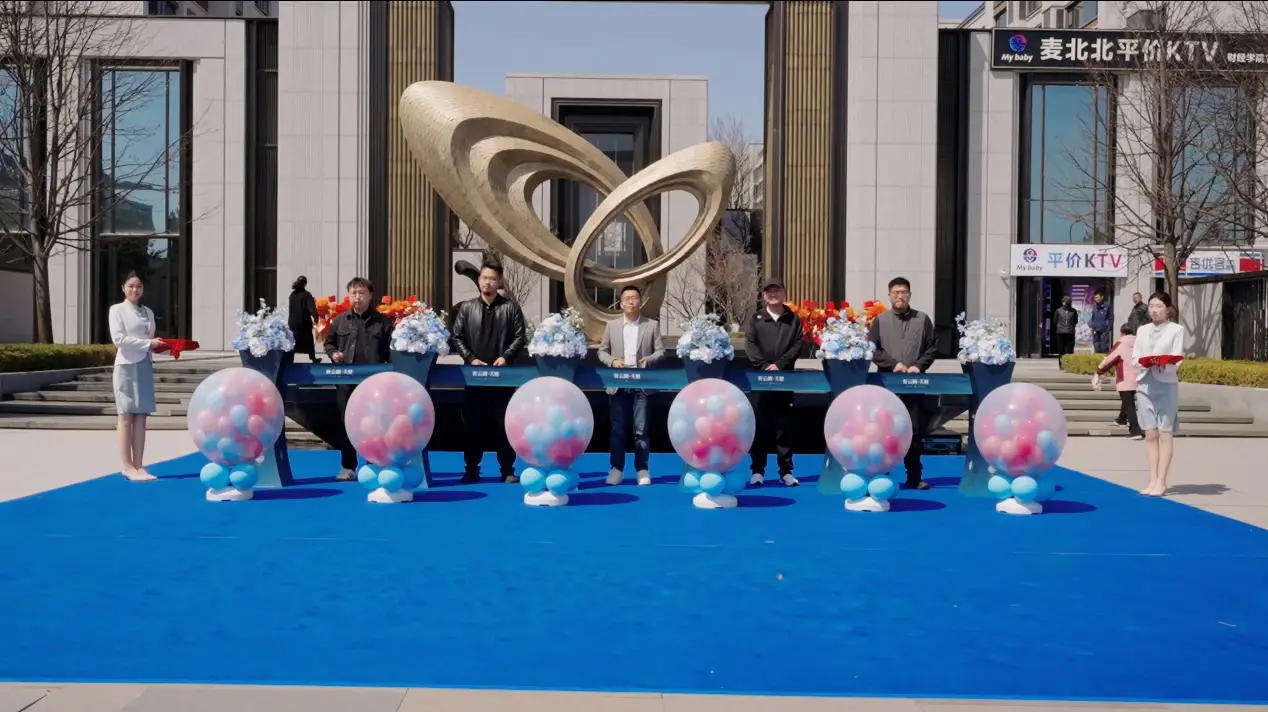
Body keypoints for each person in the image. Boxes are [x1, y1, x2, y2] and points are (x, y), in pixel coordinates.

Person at [451, 258, 527, 484]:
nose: (487, 282)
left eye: (492, 279)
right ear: (479, 280)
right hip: (474, 377)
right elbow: (457, 337)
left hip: (503, 378)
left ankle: (507, 470)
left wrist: (506, 356)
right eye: (484, 278)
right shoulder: (466, 308)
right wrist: (470, 358)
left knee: (504, 425)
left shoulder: (511, 307)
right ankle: (472, 469)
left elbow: (520, 337)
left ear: (499, 282)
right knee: (472, 427)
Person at [869, 276, 938, 490]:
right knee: (883, 431)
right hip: (887, 385)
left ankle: (914, 477)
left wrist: (919, 365)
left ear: (910, 295)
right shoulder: (880, 320)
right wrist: (893, 364)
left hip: (914, 384)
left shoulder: (922, 319)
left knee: (913, 432)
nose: (900, 296)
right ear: (889, 295)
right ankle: (881, 475)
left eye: (904, 292)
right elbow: (872, 349)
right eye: (896, 292)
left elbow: (932, 347)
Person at [323, 277, 392, 481]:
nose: (357, 297)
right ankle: (348, 467)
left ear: (370, 296)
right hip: (346, 382)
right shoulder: (340, 320)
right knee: (347, 424)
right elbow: (329, 343)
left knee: (374, 423)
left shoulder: (383, 322)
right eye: (353, 293)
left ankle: (374, 462)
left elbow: (392, 350)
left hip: (373, 383)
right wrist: (334, 353)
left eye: (361, 293)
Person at [598, 284, 665, 486]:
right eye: (627, 298)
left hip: (642, 385)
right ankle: (616, 469)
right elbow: (602, 351)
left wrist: (649, 360)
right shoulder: (612, 326)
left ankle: (642, 470)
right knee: (618, 430)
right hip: (618, 385)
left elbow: (661, 351)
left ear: (640, 301)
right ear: (621, 303)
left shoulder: (651, 325)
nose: (631, 302)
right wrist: (612, 362)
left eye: (634, 298)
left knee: (641, 431)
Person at [745, 277, 804, 487]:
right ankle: (757, 471)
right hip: (760, 381)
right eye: (769, 291)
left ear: (784, 293)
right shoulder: (756, 318)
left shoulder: (793, 318)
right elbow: (750, 344)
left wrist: (779, 365)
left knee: (784, 427)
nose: (773, 294)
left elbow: (798, 344)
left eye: (777, 290)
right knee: (759, 426)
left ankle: (786, 471)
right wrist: (763, 366)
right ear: (763, 295)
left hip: (785, 379)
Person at [109, 271, 164, 482]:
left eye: (139, 286)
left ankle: (139, 465)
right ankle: (127, 466)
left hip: (144, 365)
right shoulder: (117, 310)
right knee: (126, 416)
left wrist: (166, 347)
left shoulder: (148, 312)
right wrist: (148, 343)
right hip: (126, 366)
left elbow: (150, 340)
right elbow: (119, 339)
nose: (135, 290)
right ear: (123, 288)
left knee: (141, 416)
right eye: (131, 286)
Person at [1132, 291, 1185, 497]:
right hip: (1145, 384)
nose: (1154, 310)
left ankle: (1161, 482)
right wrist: (1145, 362)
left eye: (1159, 306)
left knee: (1165, 433)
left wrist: (1162, 362)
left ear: (1168, 308)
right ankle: (1152, 480)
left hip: (1165, 384)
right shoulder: (1142, 330)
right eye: (1152, 306)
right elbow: (1135, 358)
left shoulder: (1176, 330)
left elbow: (1177, 358)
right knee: (1150, 434)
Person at [1096, 323, 1143, 440]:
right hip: (1142, 377)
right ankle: (1121, 419)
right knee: (1127, 401)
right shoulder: (1141, 343)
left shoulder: (1121, 343)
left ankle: (1135, 430)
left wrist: (1099, 371)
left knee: (1129, 404)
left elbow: (1110, 359)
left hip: (1125, 377)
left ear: (1123, 333)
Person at [288, 275, 320, 362]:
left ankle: (290, 359)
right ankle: (313, 357)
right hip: (304, 322)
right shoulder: (307, 295)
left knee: (293, 341)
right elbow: (312, 309)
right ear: (305, 284)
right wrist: (316, 318)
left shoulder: (292, 295)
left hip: (293, 323)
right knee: (308, 339)